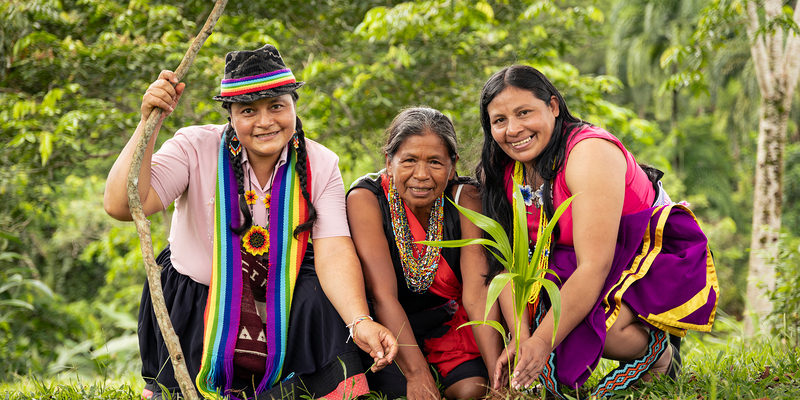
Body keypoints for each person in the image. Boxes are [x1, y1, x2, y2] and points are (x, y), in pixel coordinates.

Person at [104, 44, 397, 400]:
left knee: (319, 297)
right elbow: (121, 204)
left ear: (293, 106)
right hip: (199, 302)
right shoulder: (194, 147)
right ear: (230, 115)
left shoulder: (320, 163)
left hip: (280, 300)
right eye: (248, 111)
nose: (265, 121)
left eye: (277, 106)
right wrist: (149, 123)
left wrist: (359, 321)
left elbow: (333, 248)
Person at [476, 65, 718, 398]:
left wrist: (542, 341)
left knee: (593, 325)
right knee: (543, 309)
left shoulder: (588, 153)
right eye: (499, 120)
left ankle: (660, 353)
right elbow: (509, 265)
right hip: (571, 254)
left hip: (644, 252)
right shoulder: (503, 169)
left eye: (524, 112)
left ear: (553, 106)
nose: (513, 129)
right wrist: (521, 337)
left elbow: (595, 264)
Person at [346, 107, 504, 400]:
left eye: (435, 162)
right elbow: (383, 296)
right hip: (389, 326)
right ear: (389, 162)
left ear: (452, 165)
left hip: (446, 322)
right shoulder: (366, 199)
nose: (421, 175)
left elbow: (476, 294)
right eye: (408, 161)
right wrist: (418, 375)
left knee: (473, 390)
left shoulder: (465, 198)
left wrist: (500, 381)